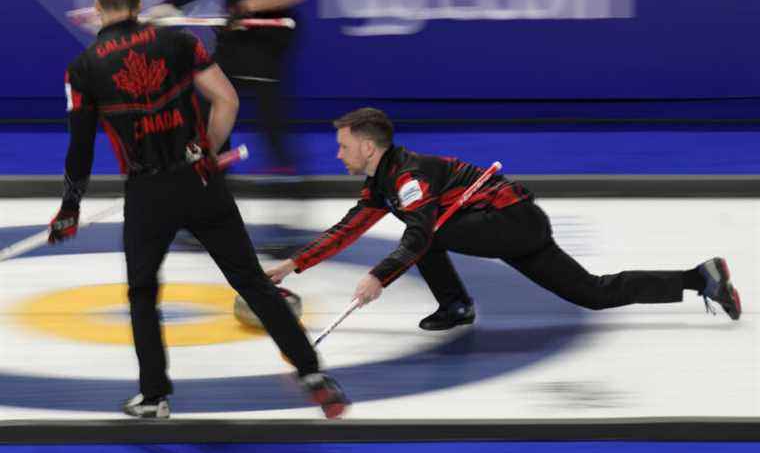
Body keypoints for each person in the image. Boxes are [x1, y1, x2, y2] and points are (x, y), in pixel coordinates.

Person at [48, 0, 348, 419]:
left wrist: (70, 209)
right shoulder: (180, 43)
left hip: (148, 192)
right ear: (136, 3)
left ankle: (154, 396)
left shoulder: (84, 69)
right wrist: (205, 150)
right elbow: (226, 100)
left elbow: (81, 149)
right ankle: (311, 372)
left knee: (143, 293)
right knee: (252, 282)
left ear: (98, 5)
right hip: (201, 179)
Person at [265, 107, 742, 330]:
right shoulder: (383, 182)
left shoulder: (409, 178)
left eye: (343, 146)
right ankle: (700, 279)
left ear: (367, 147)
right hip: (513, 226)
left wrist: (378, 276)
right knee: (593, 294)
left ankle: (455, 306)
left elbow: (421, 234)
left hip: (512, 222)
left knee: (424, 234)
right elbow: (349, 227)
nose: (338, 154)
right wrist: (295, 266)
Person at [148, 0, 318, 175]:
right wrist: (171, 4)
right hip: (237, 34)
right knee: (214, 95)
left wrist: (249, 5)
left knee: (261, 96)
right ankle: (216, 159)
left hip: (268, 33)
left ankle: (283, 166)